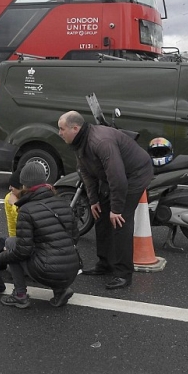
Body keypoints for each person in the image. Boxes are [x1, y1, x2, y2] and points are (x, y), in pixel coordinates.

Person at [58, 110, 154, 290]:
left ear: (75, 128)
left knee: (120, 222)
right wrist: (94, 200)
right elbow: (85, 172)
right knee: (100, 215)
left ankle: (123, 274)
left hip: (135, 174)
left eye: (62, 129)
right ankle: (105, 264)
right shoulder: (79, 141)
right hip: (111, 176)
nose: (59, 133)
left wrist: (116, 209)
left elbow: (118, 179)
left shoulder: (100, 142)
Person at [0, 162, 80, 308]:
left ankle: (20, 295)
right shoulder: (62, 203)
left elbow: (22, 251)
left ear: (24, 185)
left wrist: (2, 257)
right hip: (72, 269)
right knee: (52, 248)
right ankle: (60, 290)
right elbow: (74, 237)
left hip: (47, 270)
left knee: (11, 243)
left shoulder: (26, 210)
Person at [4, 170, 21, 237]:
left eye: (13, 185)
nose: (9, 188)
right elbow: (12, 226)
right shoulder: (9, 198)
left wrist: (15, 205)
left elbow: (24, 225)